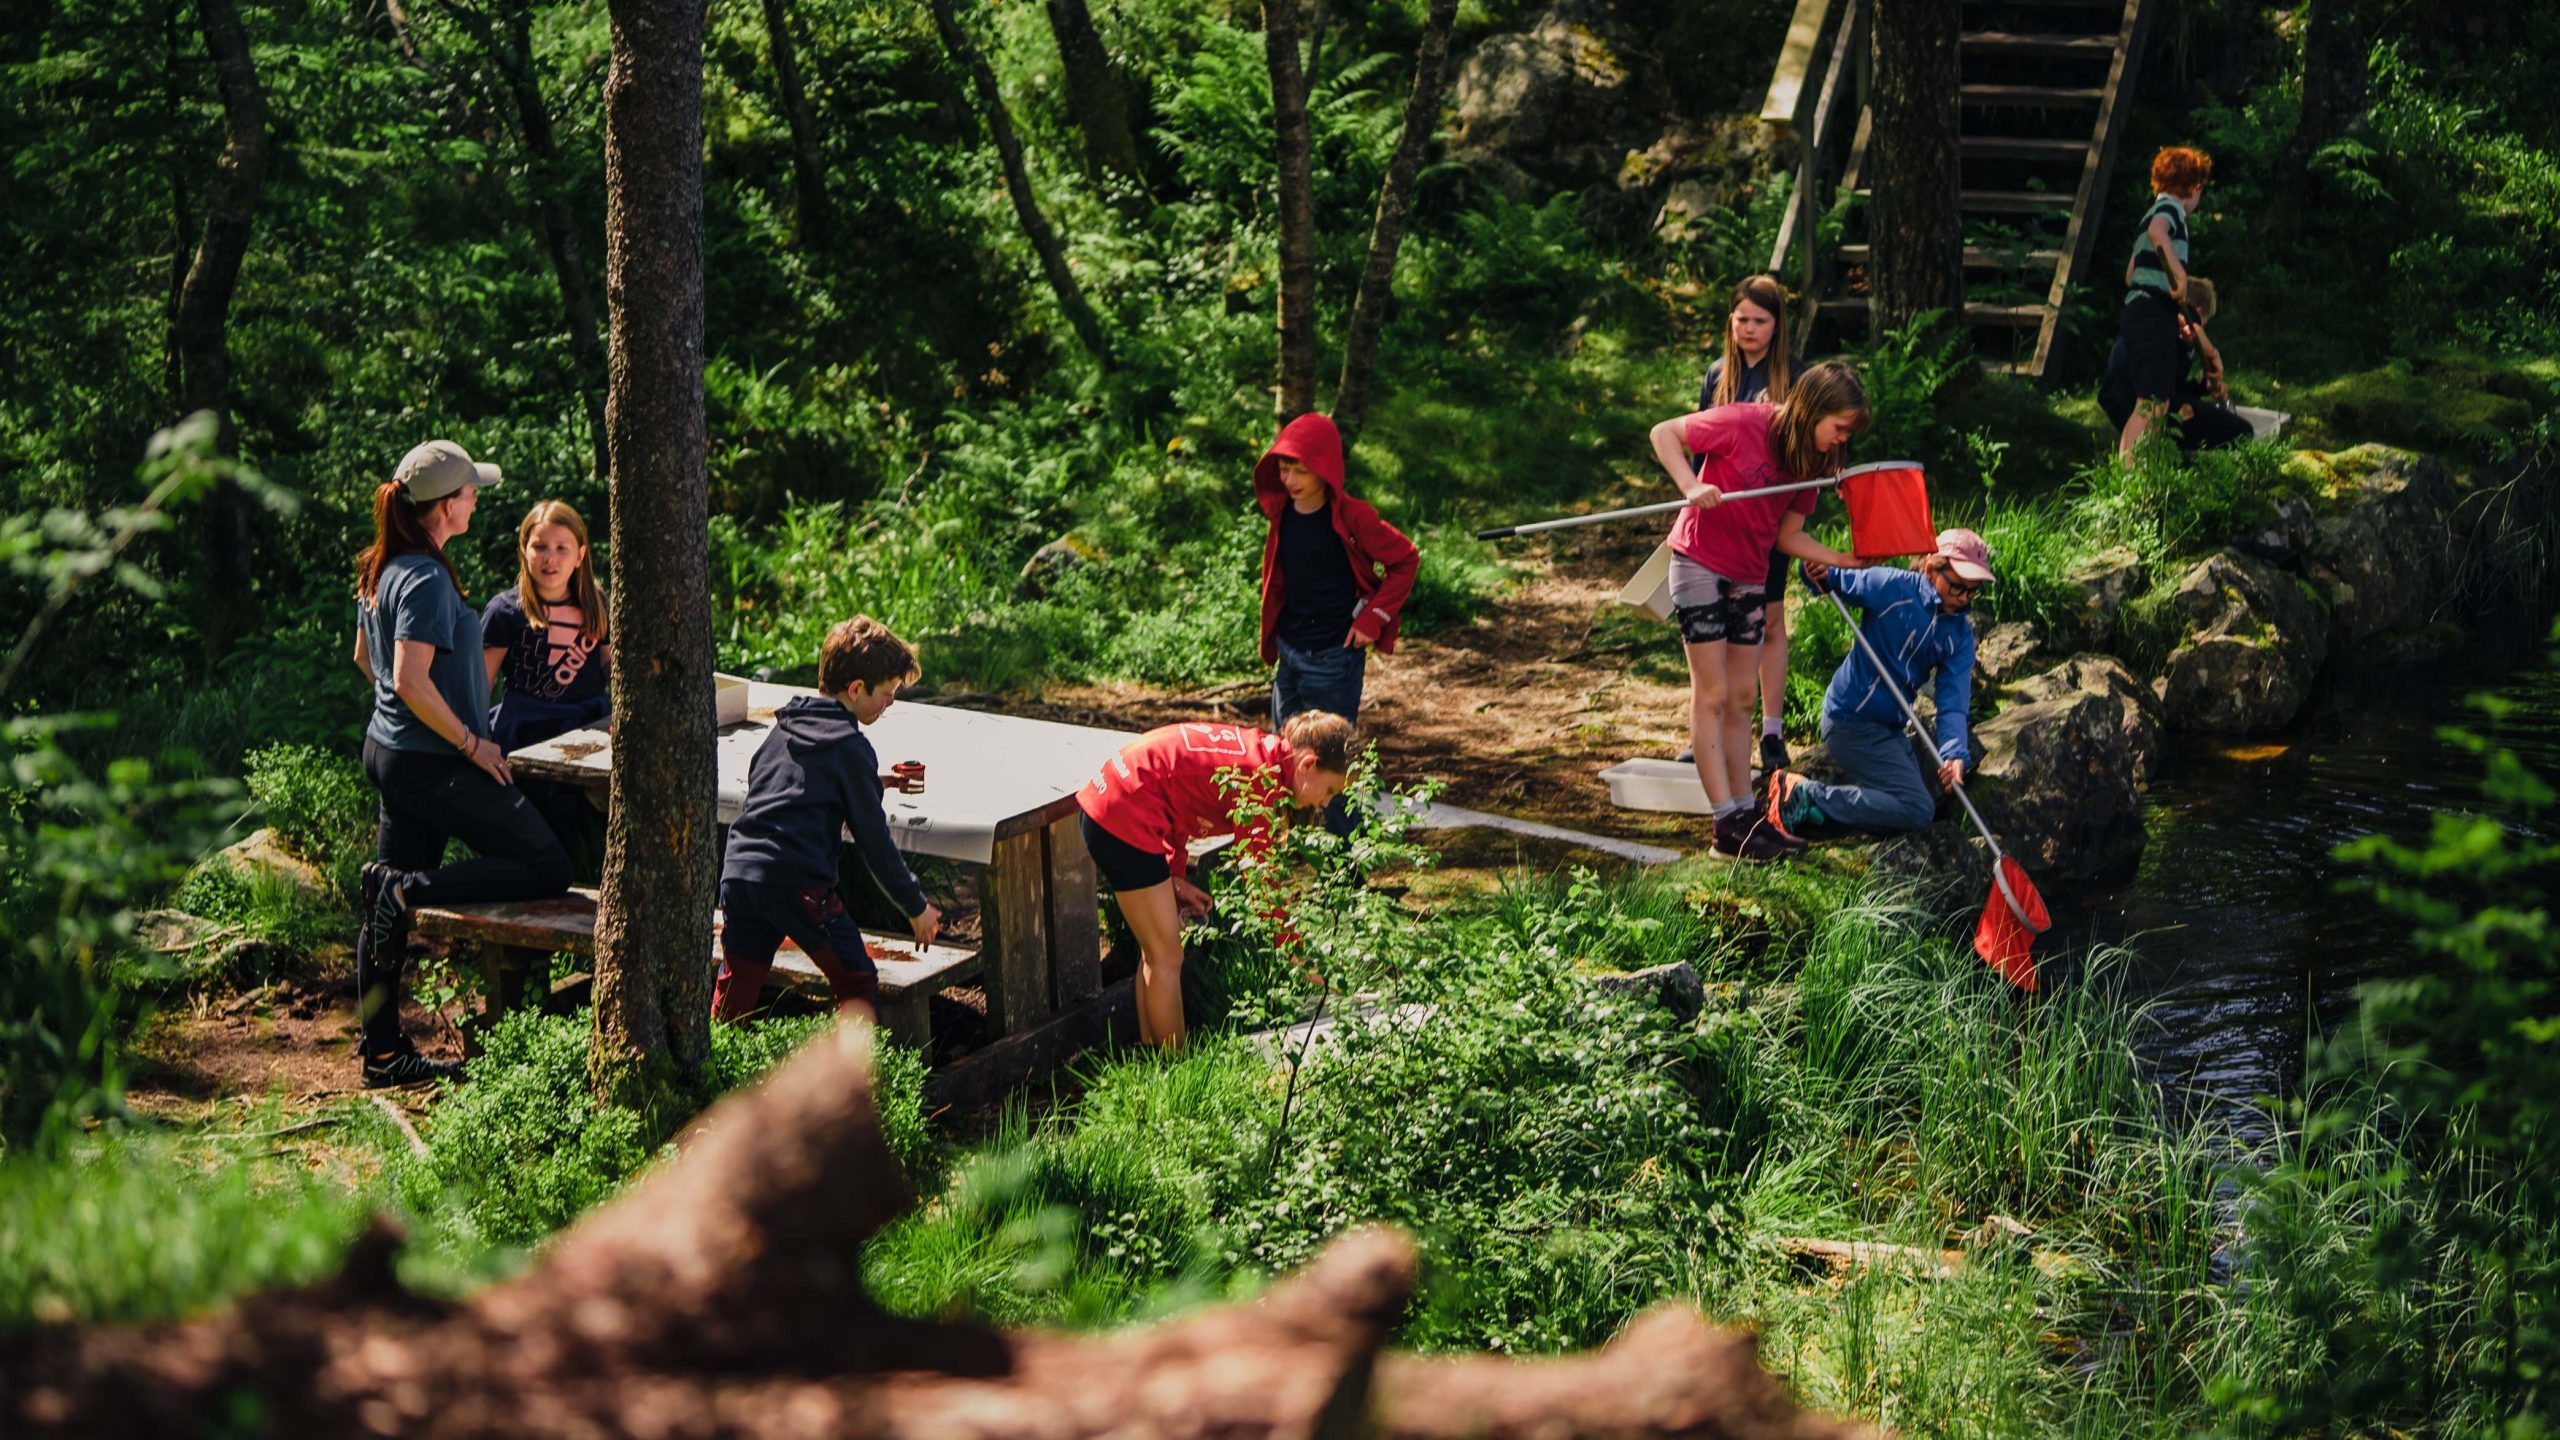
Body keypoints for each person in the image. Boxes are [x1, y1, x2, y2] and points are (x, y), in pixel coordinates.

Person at [350, 440, 573, 1087]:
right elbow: (407, 678)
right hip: (433, 763)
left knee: (381, 903)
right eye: (471, 490)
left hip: (396, 754)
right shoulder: (420, 577)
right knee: (547, 865)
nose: (477, 498)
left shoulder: (383, 567)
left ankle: (384, 1053)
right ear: (447, 505)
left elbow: (366, 664)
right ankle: (404, 889)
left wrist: (407, 719)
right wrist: (470, 742)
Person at [1646, 362, 1869, 863]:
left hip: (1749, 572)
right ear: (1814, 409)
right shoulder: (1746, 421)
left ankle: (1745, 813)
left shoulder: (1810, 460)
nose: (1840, 442)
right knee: (1714, 692)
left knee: (1744, 695)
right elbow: (1664, 433)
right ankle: (1723, 821)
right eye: (1839, 428)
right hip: (1699, 562)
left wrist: (1841, 559)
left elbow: (1788, 536)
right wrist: (1689, 485)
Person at [713, 616, 943, 1024]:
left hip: (740, 873)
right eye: (887, 695)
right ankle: (857, 1082)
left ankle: (716, 1075)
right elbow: (874, 841)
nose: (889, 704)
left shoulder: (781, 731)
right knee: (856, 982)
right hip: (798, 882)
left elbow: (788, 789)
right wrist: (915, 906)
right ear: (856, 690)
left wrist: (869, 784)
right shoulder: (851, 746)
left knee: (738, 986)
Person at [1076, 712, 1354, 1047]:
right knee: (1167, 956)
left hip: (1113, 800)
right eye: (1330, 790)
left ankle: (1153, 1053)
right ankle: (1174, 1068)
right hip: (1122, 813)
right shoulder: (1260, 782)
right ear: (1308, 764)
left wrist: (1173, 878)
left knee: (1156, 951)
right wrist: (1298, 954)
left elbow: (1176, 803)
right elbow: (1261, 885)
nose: (1325, 802)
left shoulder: (1263, 754)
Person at [1764, 530, 1993, 842]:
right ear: (1930, 569)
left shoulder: (1959, 636)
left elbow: (1953, 700)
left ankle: (1812, 819)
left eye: (1972, 591)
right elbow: (1837, 579)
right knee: (1917, 809)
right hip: (1849, 719)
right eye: (1957, 586)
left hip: (1889, 729)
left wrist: (1954, 752)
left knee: (1908, 809)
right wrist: (1816, 571)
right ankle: (1805, 795)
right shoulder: (1891, 586)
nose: (1964, 598)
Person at [1255, 412, 1417, 837]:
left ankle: (1348, 875)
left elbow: (1405, 559)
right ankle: (1287, 856)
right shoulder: (1282, 514)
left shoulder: (1353, 518)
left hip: (1332, 659)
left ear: (1325, 469)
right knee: (1283, 760)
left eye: (1301, 469)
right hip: (1290, 653)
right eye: (1284, 467)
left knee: (1331, 766)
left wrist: (1373, 618)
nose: (1290, 478)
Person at [1678, 275, 1799, 773]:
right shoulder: (1716, 374)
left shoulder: (1795, 377)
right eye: (1742, 319)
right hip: (1717, 524)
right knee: (1708, 631)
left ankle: (1771, 732)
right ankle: (1708, 732)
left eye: (1760, 320)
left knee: (1767, 621)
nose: (1749, 329)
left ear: (1777, 325)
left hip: (1765, 523)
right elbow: (1702, 448)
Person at [481, 500, 612, 875]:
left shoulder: (596, 603)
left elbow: (608, 663)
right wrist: (478, 741)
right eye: (539, 546)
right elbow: (480, 683)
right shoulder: (505, 611)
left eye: (561, 548)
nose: (549, 559)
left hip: (587, 732)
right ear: (524, 549)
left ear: (580, 554)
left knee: (582, 833)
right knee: (536, 834)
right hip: (525, 734)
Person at [2116, 145, 2215, 459]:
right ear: (2194, 186)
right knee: (2152, 403)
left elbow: (2131, 273)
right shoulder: (2171, 210)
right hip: (2151, 314)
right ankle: (2132, 477)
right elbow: (2160, 233)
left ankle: (2138, 471)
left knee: (2154, 402)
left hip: (2140, 311)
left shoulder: (2148, 215)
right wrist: (2179, 277)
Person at [2098, 277, 2252, 453]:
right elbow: (2193, 326)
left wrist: (2203, 388)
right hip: (2141, 401)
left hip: (2115, 397)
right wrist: (2212, 354)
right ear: (2199, 311)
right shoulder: (2182, 317)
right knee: (2242, 430)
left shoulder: (2150, 315)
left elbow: (2168, 382)